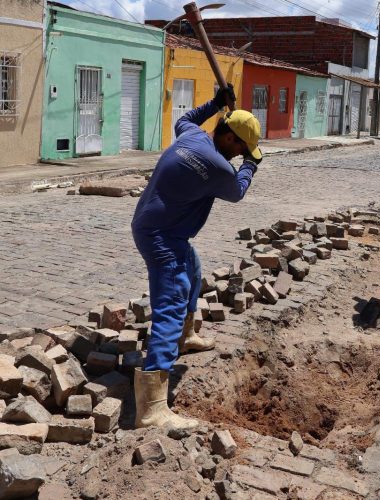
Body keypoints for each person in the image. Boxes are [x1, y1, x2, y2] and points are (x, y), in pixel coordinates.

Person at [131, 85, 262, 430]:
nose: (240, 156)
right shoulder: (217, 164)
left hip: (152, 223)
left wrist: (215, 103)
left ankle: (186, 338)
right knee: (171, 303)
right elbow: (237, 191)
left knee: (193, 266)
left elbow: (187, 117)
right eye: (241, 149)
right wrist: (252, 165)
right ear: (231, 140)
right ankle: (151, 408)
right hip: (163, 236)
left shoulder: (193, 135)